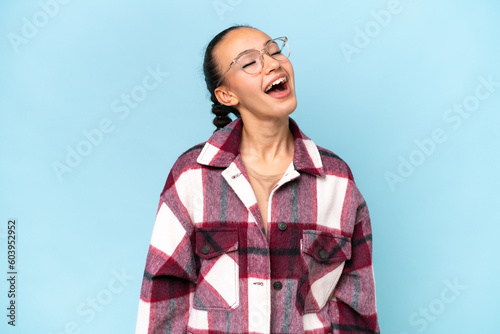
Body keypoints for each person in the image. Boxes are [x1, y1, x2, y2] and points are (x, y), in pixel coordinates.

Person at [135, 25, 380, 334]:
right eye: (250, 62)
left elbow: (355, 308)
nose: (273, 63)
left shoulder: (337, 181)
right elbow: (163, 298)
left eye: (274, 51)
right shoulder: (191, 176)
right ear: (226, 94)